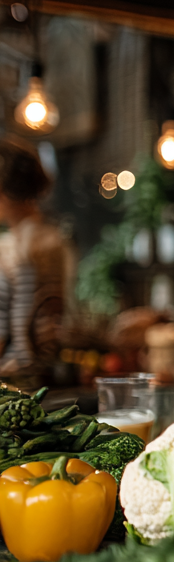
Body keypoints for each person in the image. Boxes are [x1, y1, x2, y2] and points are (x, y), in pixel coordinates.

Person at [0, 135, 72, 385]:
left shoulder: (10, 249)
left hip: (11, 383)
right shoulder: (56, 242)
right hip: (50, 376)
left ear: (4, 192)